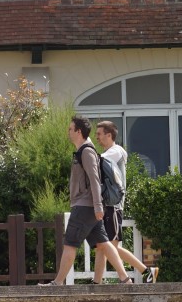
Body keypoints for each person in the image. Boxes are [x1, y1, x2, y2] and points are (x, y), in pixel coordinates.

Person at [42, 117, 130, 286]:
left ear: (78, 132)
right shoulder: (83, 151)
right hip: (88, 206)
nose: (68, 132)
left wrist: (98, 206)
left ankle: (58, 282)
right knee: (104, 243)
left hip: (84, 206)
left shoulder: (87, 152)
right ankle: (125, 280)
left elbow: (95, 180)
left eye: (70, 129)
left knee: (70, 244)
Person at [91, 121, 157, 284]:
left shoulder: (117, 151)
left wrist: (86, 150)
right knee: (103, 246)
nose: (97, 137)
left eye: (99, 134)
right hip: (107, 206)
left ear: (109, 135)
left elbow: (97, 161)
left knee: (109, 246)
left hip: (113, 207)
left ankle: (144, 272)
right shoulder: (109, 152)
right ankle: (97, 283)